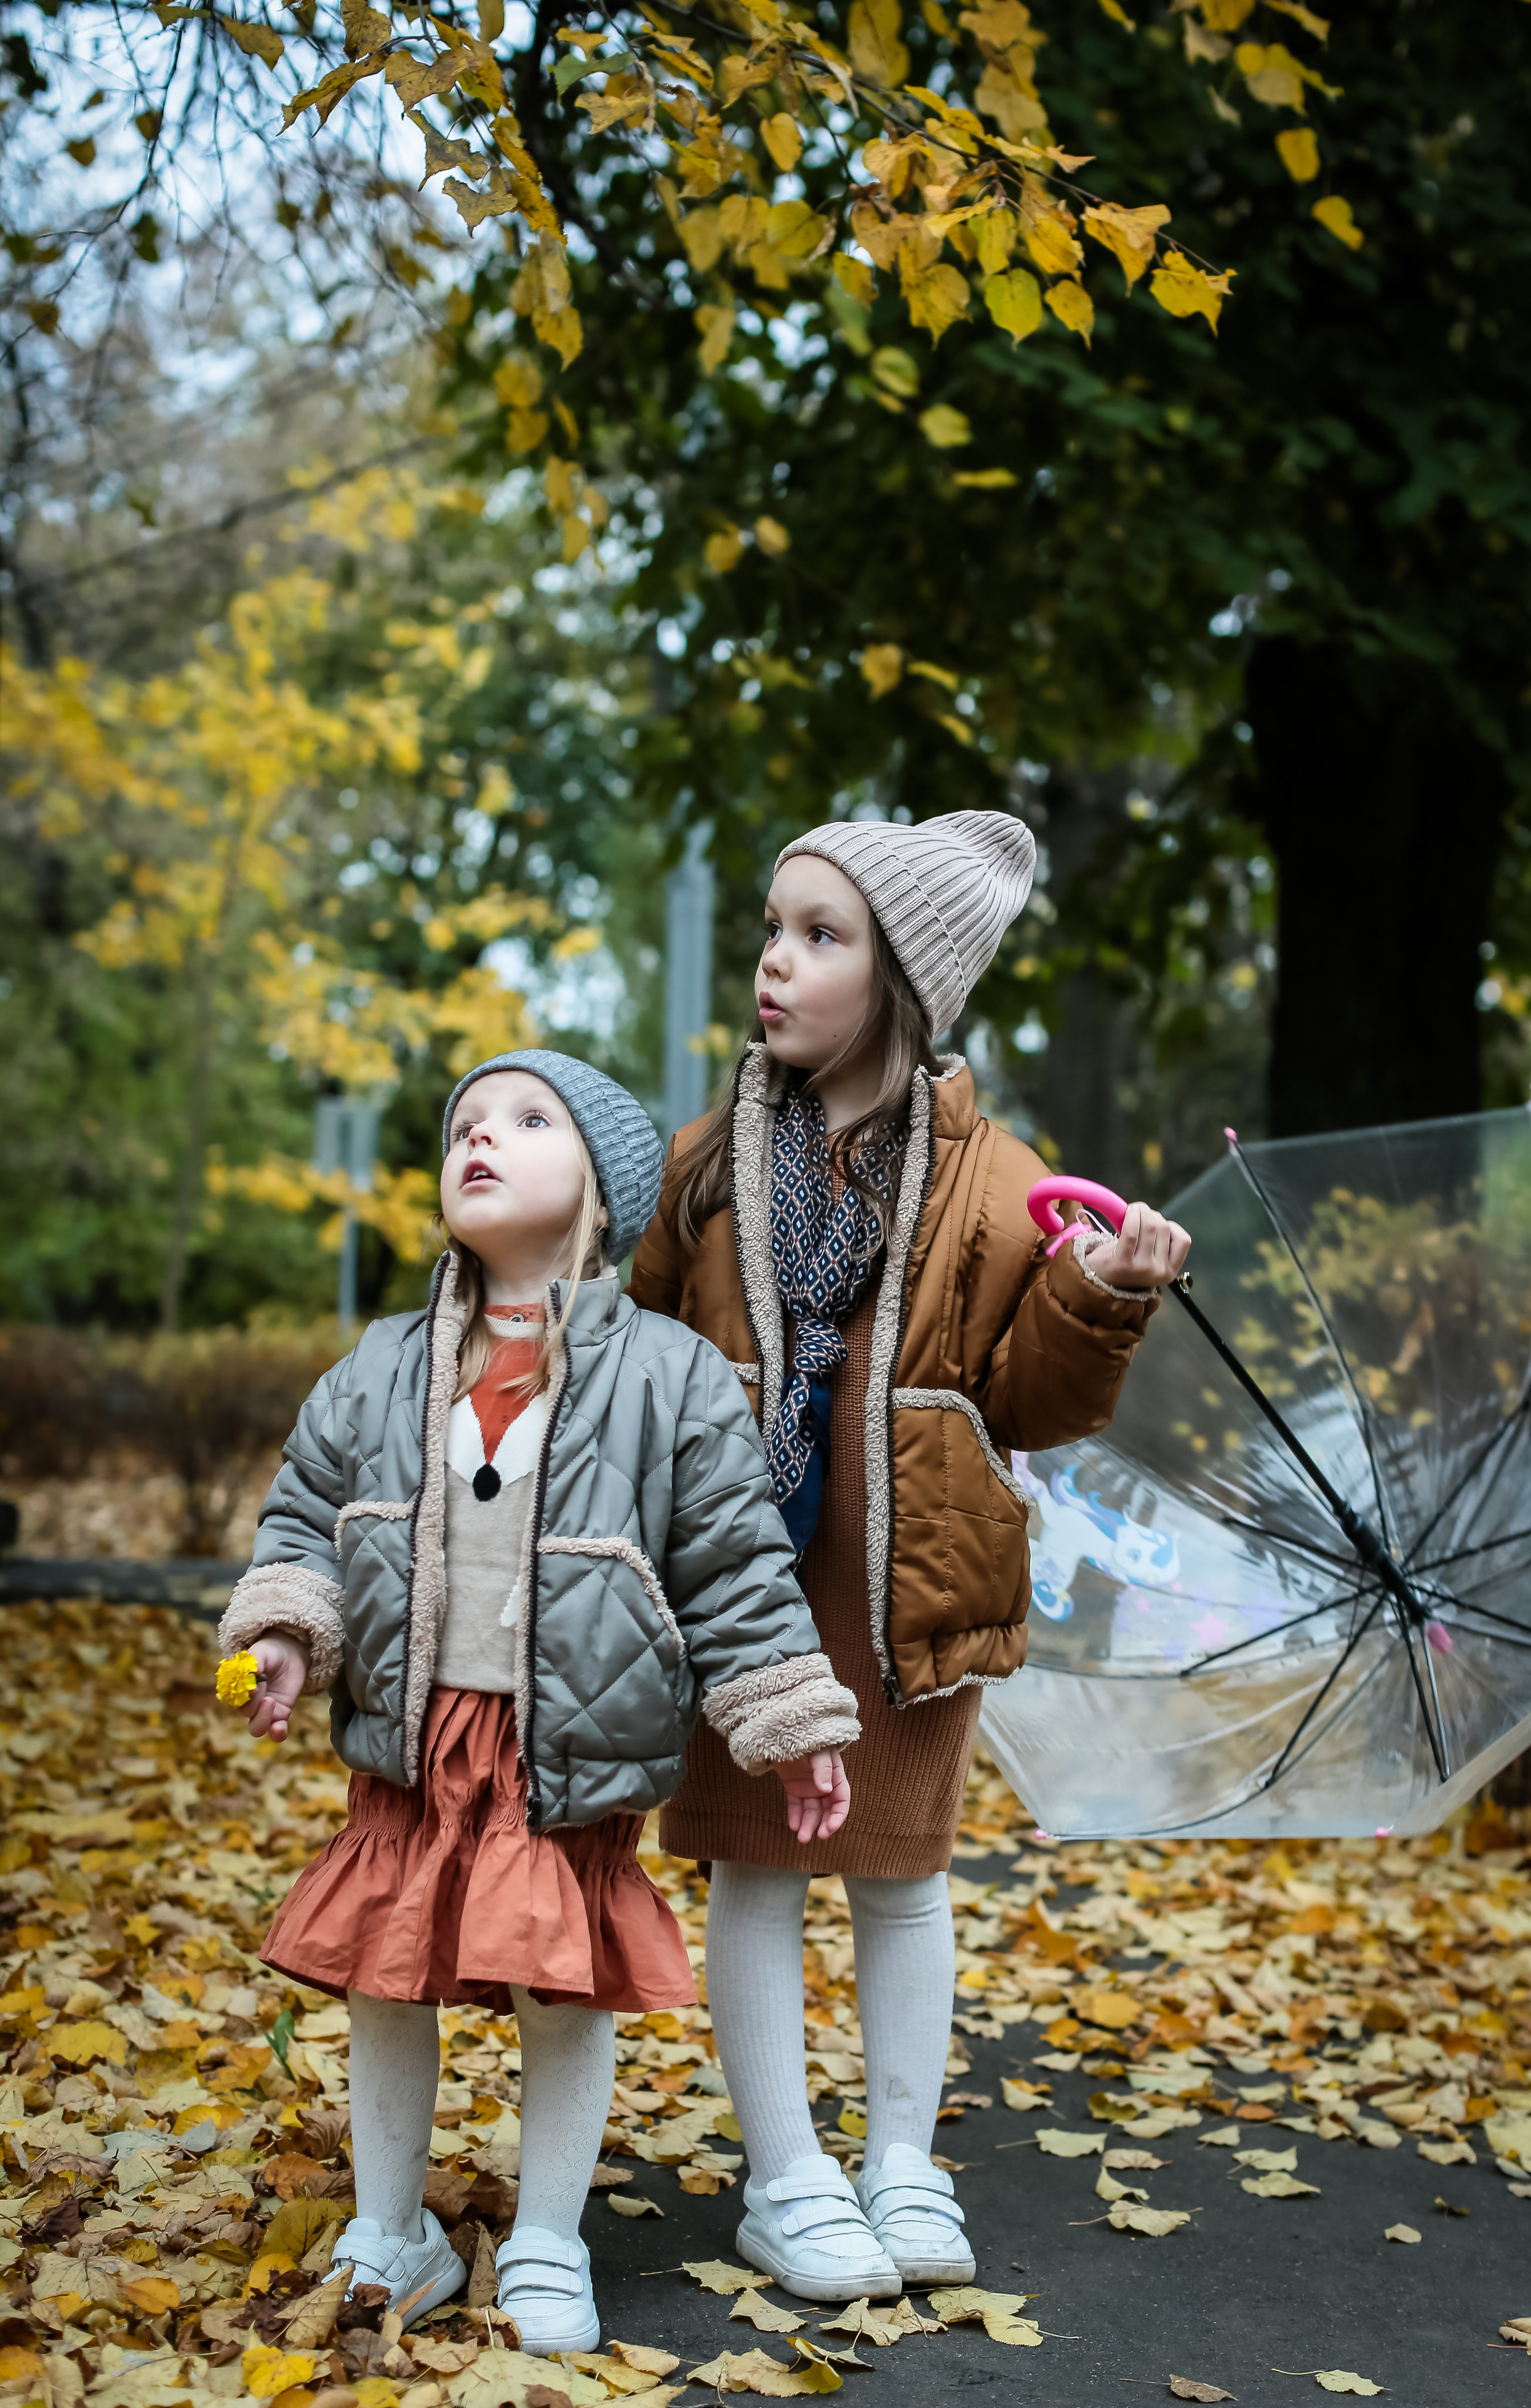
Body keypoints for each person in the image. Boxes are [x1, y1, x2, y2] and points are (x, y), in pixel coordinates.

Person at [216, 1050, 860, 2353]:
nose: (480, 1139)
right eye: (462, 1124)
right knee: (385, 1977)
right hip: (413, 1739)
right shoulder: (383, 1364)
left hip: (566, 1742)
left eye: (524, 1120)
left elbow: (731, 1566)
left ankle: (550, 2239)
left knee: (560, 1983)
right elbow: (305, 1511)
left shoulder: (669, 1376)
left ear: (604, 1188)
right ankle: (391, 2229)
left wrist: (788, 1725)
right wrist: (288, 1630)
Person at [629, 810, 1191, 2301]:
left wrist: (1098, 1301)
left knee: (898, 1878)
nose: (774, 961)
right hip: (747, 1585)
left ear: (903, 981)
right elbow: (641, 1356)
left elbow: (1026, 1405)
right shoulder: (707, 1166)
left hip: (910, 1589)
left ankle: (895, 2161)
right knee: (756, 1869)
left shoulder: (1002, 1186)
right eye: (770, 927)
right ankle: (786, 2174)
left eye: (821, 937)